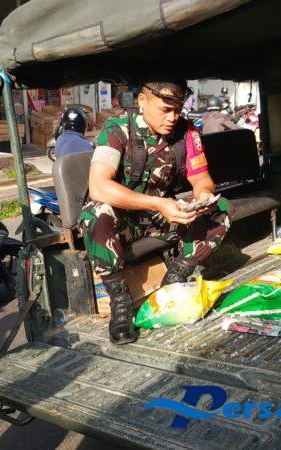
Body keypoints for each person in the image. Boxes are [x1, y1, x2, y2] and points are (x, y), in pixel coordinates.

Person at [80, 80, 232, 345]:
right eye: (165, 110)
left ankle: (174, 279)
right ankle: (120, 303)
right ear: (142, 101)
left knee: (221, 209)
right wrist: (159, 204)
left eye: (178, 110)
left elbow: (201, 179)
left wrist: (203, 196)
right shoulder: (117, 130)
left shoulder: (187, 132)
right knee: (96, 213)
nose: (173, 118)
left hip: (162, 216)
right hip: (125, 220)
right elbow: (98, 186)